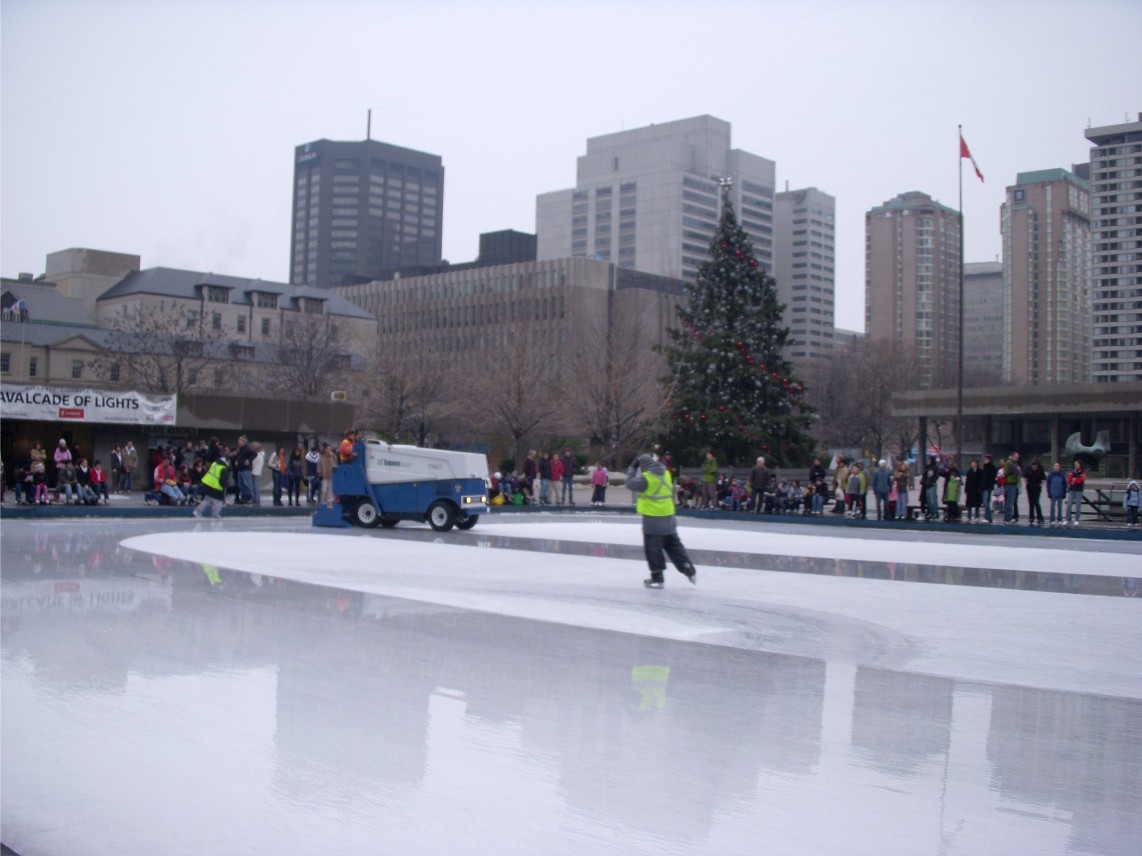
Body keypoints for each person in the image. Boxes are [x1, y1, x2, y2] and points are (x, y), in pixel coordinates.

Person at [626, 453, 696, 589]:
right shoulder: (665, 474)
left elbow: (629, 483)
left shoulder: (646, 479)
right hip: (669, 516)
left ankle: (657, 577)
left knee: (653, 549)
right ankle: (687, 568)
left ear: (644, 466)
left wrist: (632, 468)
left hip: (653, 519)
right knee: (674, 545)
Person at [193, 454, 230, 519]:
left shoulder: (214, 464)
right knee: (218, 502)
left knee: (207, 500)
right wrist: (224, 487)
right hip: (217, 487)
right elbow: (223, 481)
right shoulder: (223, 468)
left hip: (208, 485)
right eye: (229, 462)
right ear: (226, 461)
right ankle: (215, 515)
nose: (229, 464)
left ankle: (197, 511)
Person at [233, 436, 256, 505]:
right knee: (241, 484)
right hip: (240, 469)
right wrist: (236, 461)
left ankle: (249, 497)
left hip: (246, 469)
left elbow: (255, 454)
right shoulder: (240, 449)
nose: (239, 443)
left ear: (244, 442)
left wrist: (249, 460)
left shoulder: (248, 449)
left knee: (246, 484)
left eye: (240, 441)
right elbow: (238, 456)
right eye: (238, 441)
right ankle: (243, 497)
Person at [1024, 457, 1046, 527]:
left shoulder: (1041, 470)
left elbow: (1043, 479)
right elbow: (1025, 477)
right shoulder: (1028, 469)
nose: (1034, 467)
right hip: (1030, 487)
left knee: (1036, 502)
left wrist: (1040, 485)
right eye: (1033, 466)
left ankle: (1040, 518)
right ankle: (1031, 517)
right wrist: (1027, 483)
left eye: (1035, 466)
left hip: (1037, 487)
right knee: (1031, 503)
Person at [1046, 461, 1067, 526]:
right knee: (1052, 507)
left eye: (1057, 466)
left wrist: (1064, 493)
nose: (1056, 467)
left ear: (1059, 467)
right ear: (1053, 467)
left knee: (1060, 508)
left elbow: (1065, 485)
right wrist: (1049, 492)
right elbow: (1048, 484)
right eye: (1055, 466)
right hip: (1053, 493)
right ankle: (1052, 520)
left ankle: (1060, 520)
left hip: (1060, 493)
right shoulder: (1050, 475)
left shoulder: (1062, 475)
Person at [1003, 451, 1022, 524]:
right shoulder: (1010, 463)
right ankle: (1008, 518)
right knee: (1010, 502)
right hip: (1011, 484)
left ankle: (1007, 518)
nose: (1017, 459)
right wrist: (1018, 473)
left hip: (1011, 484)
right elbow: (1018, 472)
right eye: (1016, 457)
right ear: (1012, 456)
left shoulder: (1010, 463)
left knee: (1009, 502)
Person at [1065, 460, 1086, 527]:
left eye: (1077, 464)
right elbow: (1069, 480)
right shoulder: (1072, 472)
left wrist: (1075, 480)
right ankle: (1066, 519)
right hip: (1072, 490)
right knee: (1069, 505)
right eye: (1075, 464)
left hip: (1079, 490)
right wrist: (1074, 480)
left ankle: (1077, 520)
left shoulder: (1083, 472)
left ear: (1080, 465)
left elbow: (1081, 480)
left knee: (1078, 506)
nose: (1076, 465)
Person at [964, 459, 984, 523]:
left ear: (976, 464)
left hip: (977, 490)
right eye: (972, 463)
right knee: (969, 504)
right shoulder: (969, 471)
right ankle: (969, 517)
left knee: (977, 504)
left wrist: (980, 488)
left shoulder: (980, 471)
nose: (972, 464)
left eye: (973, 463)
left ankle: (977, 517)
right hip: (970, 489)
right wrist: (966, 489)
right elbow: (967, 481)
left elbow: (981, 481)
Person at [980, 453, 998, 524]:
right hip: (984, 487)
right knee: (985, 502)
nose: (984, 460)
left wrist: (988, 485)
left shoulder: (991, 467)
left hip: (987, 487)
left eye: (985, 459)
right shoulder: (985, 467)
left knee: (986, 502)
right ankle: (987, 517)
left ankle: (988, 517)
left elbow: (991, 478)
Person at [250, 442, 266, 506]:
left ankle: (255, 500)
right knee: (256, 486)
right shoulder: (261, 455)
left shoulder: (257, 455)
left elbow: (253, 462)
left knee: (254, 486)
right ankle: (256, 500)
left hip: (254, 471)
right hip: (257, 472)